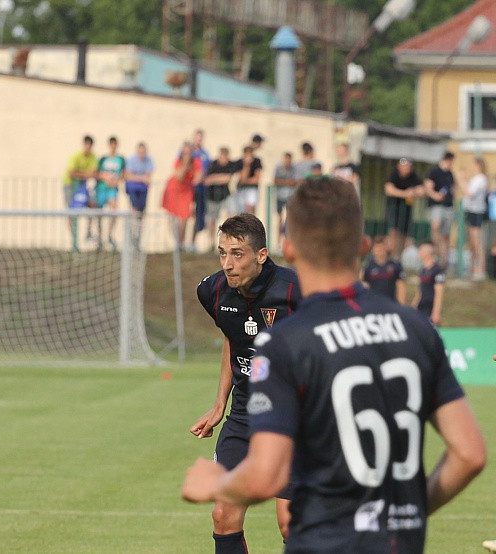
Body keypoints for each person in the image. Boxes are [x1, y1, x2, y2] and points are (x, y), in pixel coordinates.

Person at [182, 177, 487, 553]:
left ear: (286, 250)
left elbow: (264, 475)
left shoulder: (288, 343)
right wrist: (408, 510)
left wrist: (212, 485)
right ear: (362, 247)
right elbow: (470, 454)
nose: (227, 263)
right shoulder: (417, 330)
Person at [190, 213, 300, 552]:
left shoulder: (298, 290)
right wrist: (219, 404)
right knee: (223, 513)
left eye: (237, 253)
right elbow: (232, 338)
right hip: (244, 414)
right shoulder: (212, 291)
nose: (227, 263)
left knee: (291, 521)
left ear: (262, 255)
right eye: (222, 253)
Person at [162, 143, 203, 250]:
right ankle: (177, 243)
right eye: (185, 153)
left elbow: (198, 177)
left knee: (184, 217)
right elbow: (179, 177)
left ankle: (181, 243)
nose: (187, 155)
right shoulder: (178, 162)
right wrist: (184, 165)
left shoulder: (196, 162)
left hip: (186, 191)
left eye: (189, 153)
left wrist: (196, 178)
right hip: (174, 190)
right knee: (173, 217)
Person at [62, 135, 98, 252]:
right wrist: (85, 174)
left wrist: (80, 174)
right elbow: (71, 173)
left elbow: (92, 173)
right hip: (70, 185)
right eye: (86, 144)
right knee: (71, 212)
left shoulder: (93, 157)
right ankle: (74, 241)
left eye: (90, 145)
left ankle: (88, 232)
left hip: (82, 186)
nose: (88, 147)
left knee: (93, 205)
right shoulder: (75, 156)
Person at [384, 158, 424, 259]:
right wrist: (405, 194)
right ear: (399, 166)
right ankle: (392, 257)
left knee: (404, 235)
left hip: (407, 209)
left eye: (408, 166)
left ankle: (399, 258)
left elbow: (422, 190)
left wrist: (413, 192)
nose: (406, 168)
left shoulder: (413, 176)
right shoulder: (394, 175)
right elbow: (388, 189)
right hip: (394, 208)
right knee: (394, 232)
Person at [424, 152, 456, 268]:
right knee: (436, 227)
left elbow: (452, 188)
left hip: (448, 206)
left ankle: (444, 260)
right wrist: (435, 195)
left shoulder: (450, 174)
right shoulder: (434, 172)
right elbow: (428, 187)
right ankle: (435, 254)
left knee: (445, 234)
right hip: (436, 205)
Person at [94, 136, 126, 250]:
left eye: (115, 144)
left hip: (112, 190)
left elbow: (123, 173)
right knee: (99, 213)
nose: (113, 146)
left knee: (114, 210)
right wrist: (105, 178)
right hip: (101, 189)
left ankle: (109, 235)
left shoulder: (121, 159)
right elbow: (97, 173)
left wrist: (116, 180)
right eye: (111, 144)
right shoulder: (103, 159)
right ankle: (99, 237)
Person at [204, 147, 240, 247]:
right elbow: (207, 180)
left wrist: (215, 178)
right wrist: (221, 177)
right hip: (212, 196)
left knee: (232, 216)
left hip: (225, 195)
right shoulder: (212, 164)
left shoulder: (230, 165)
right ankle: (211, 242)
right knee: (211, 219)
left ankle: (230, 240)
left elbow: (228, 179)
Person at [461, 158, 488, 281]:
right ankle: (472, 268)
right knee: (471, 242)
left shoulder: (481, 179)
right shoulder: (475, 178)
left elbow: (469, 193)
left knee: (477, 241)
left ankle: (481, 269)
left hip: (476, 212)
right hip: (470, 211)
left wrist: (462, 180)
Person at [124, 142, 154, 245]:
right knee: (134, 210)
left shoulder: (149, 160)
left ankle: (138, 239)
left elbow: (148, 177)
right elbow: (128, 176)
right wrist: (141, 178)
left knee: (141, 213)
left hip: (143, 191)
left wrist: (137, 178)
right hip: (133, 189)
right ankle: (133, 235)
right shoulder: (132, 160)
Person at [362, 235, 406, 304]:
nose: (380, 250)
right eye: (377, 248)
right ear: (373, 250)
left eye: (382, 247)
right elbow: (365, 286)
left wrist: (401, 306)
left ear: (386, 248)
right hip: (374, 304)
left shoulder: (395, 265)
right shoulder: (368, 267)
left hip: (390, 303)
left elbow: (401, 286)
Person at [412, 240, 446, 326]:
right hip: (421, 307)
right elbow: (420, 291)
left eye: (421, 250)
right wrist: (413, 306)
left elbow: (439, 291)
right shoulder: (422, 270)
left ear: (428, 252)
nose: (419, 253)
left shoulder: (437, 270)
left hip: (429, 307)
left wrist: (436, 312)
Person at [189, 129, 211, 252]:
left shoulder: (205, 154)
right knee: (185, 214)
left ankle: (192, 242)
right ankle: (181, 243)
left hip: (200, 189)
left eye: (200, 138)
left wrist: (200, 177)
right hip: (188, 189)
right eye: (197, 137)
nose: (198, 140)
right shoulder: (187, 152)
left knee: (198, 215)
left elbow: (206, 170)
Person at [273, 152, 298, 253]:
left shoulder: (294, 169)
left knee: (289, 219)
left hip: (290, 197)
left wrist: (285, 182)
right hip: (280, 196)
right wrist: (287, 182)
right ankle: (279, 243)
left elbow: (295, 182)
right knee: (280, 219)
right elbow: (275, 181)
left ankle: (288, 243)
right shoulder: (278, 168)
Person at [235, 146, 263, 215]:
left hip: (252, 188)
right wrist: (246, 165)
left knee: (250, 208)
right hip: (241, 189)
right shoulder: (239, 162)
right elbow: (242, 178)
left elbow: (256, 179)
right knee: (241, 211)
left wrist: (246, 181)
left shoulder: (257, 161)